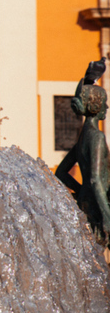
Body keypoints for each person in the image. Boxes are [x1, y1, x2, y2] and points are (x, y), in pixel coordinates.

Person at [55, 74, 110, 247]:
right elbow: (95, 178)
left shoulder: (82, 139)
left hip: (86, 203)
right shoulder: (97, 137)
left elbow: (61, 172)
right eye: (104, 102)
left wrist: (81, 191)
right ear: (95, 105)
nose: (106, 106)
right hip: (99, 205)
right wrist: (107, 215)